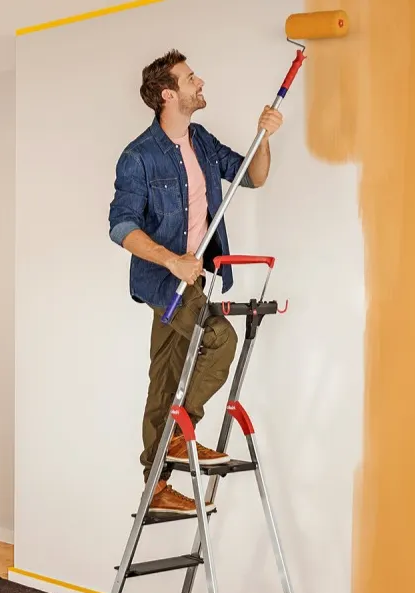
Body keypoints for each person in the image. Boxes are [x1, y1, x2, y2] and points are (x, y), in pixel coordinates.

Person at [107, 49, 283, 515]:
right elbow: (121, 227)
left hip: (196, 281)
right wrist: (171, 261)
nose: (199, 81)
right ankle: (181, 438)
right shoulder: (139, 157)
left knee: (163, 381)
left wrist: (263, 136)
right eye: (190, 78)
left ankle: (156, 486)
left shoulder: (201, 141)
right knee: (219, 341)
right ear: (169, 94)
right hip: (165, 283)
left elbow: (254, 176)